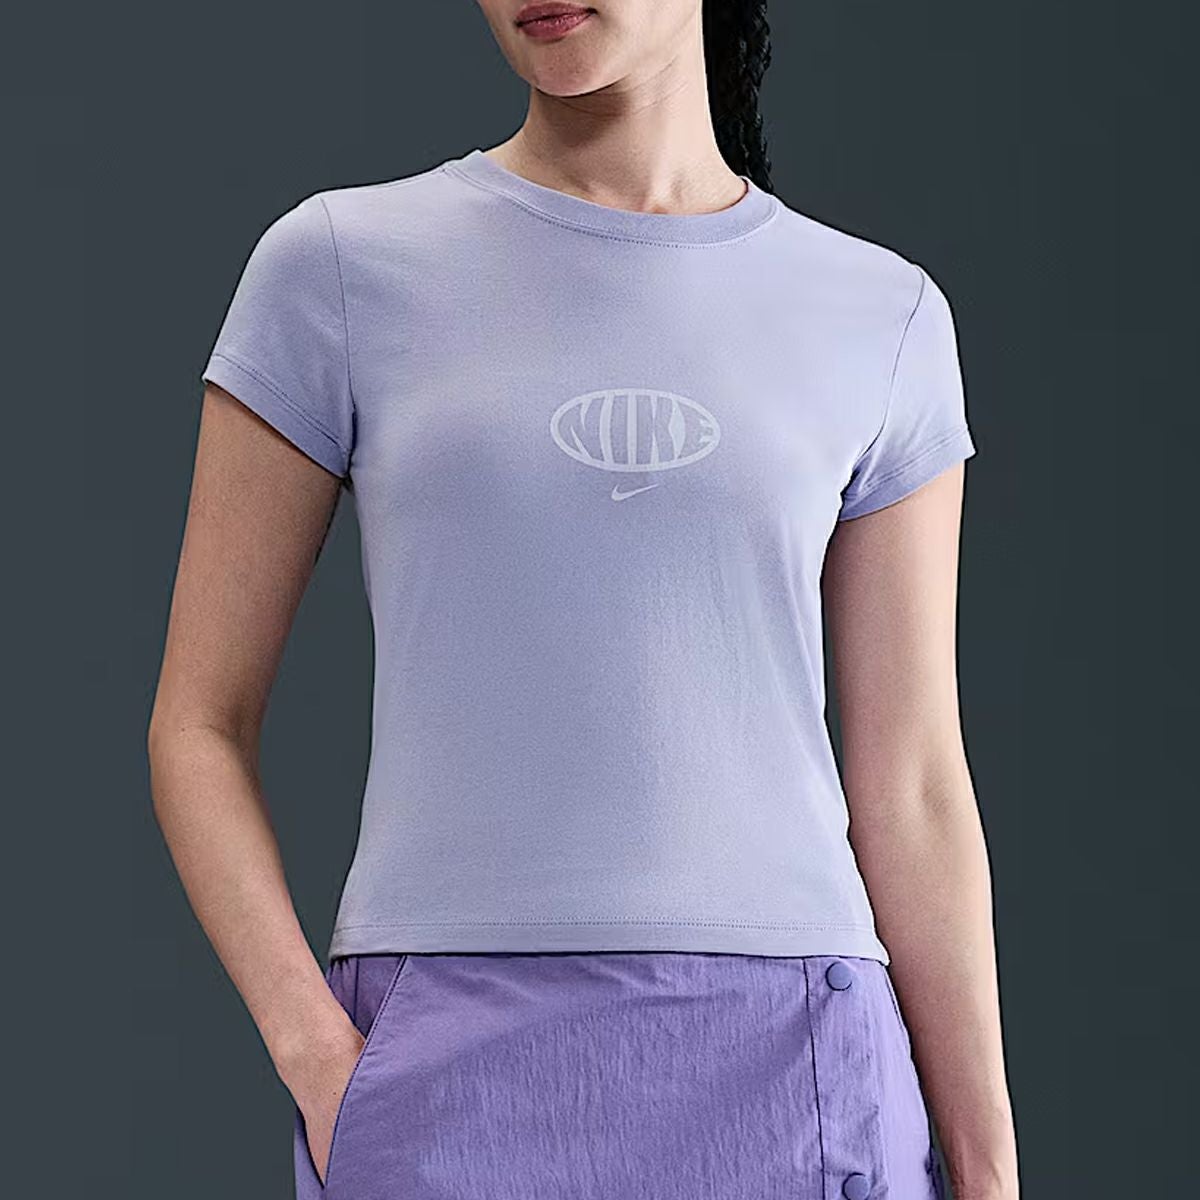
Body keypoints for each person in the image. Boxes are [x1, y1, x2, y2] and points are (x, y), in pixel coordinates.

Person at [147, 2, 1020, 1198]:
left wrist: (988, 1169)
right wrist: (324, 1062)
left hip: (796, 1072)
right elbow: (197, 724)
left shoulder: (881, 314)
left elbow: (913, 782)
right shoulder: (340, 267)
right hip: (445, 1071)